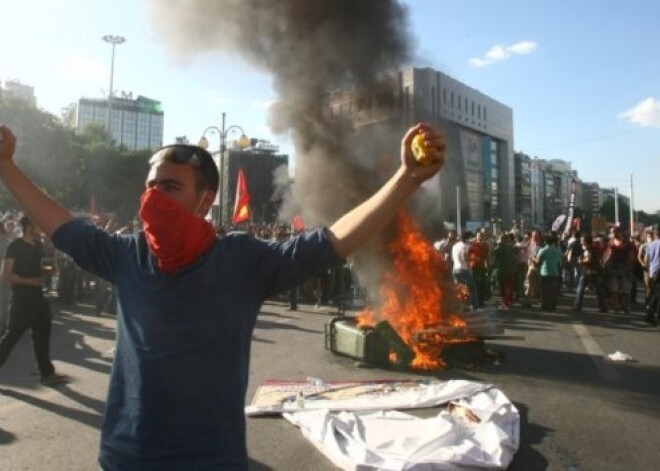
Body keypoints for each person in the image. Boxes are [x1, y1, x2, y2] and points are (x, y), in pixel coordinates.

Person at [0, 122, 445, 471]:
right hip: (124, 459)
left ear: (205, 199)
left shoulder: (241, 260)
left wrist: (406, 178)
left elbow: (329, 242)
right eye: (150, 186)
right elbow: (60, 224)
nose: (153, 197)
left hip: (211, 462)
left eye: (170, 187)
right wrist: (6, 166)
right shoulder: (126, 253)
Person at [0, 216, 62, 384]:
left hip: (38, 297)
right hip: (21, 298)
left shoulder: (38, 245)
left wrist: (49, 270)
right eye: (38, 226)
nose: (41, 228)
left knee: (42, 334)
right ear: (28, 227)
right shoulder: (15, 246)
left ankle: (46, 373)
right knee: (12, 335)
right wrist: (29, 281)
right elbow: (6, 274)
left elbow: (38, 267)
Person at [534, 234, 562, 312]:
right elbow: (560, 260)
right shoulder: (556, 250)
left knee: (544, 290)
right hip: (554, 272)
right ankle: (553, 306)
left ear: (545, 242)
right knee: (553, 290)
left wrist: (533, 259)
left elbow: (537, 262)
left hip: (545, 272)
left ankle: (545, 305)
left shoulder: (542, 250)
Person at [451, 231, 479, 311]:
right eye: (470, 238)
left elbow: (453, 258)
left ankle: (460, 306)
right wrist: (474, 258)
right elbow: (465, 258)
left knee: (460, 289)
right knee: (472, 288)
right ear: (467, 238)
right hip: (463, 270)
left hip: (455, 270)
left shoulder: (455, 246)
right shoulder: (466, 246)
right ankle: (474, 306)